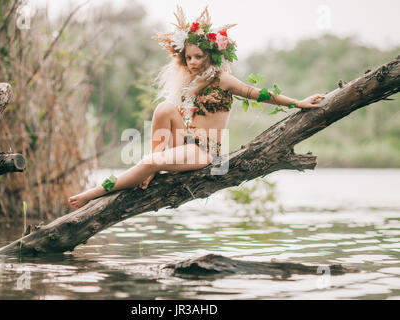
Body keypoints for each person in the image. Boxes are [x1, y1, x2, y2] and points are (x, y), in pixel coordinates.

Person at [68, 6, 325, 209]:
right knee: (164, 109)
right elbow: (175, 116)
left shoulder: (223, 79)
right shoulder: (190, 82)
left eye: (198, 56)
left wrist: (297, 102)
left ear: (211, 55)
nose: (192, 62)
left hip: (204, 152)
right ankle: (152, 169)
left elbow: (258, 94)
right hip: (185, 142)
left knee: (152, 160)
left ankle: (95, 192)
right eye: (188, 57)